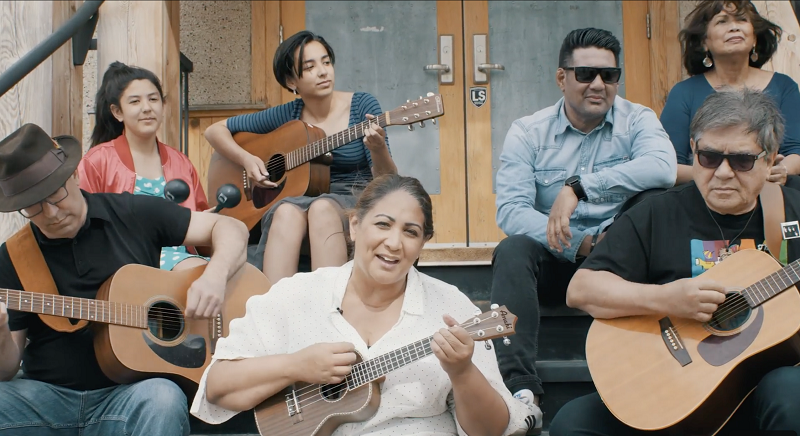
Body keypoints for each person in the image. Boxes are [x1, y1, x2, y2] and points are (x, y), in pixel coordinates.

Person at [190, 174, 542, 436]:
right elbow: (219, 385)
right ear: (355, 226)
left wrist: (462, 372)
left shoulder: (450, 306)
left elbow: (491, 430)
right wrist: (297, 365)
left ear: (423, 244)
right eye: (383, 225)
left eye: (410, 232)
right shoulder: (296, 295)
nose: (393, 243)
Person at [550, 89, 800, 435]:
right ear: (694, 153)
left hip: (760, 394)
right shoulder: (657, 212)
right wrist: (668, 299)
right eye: (710, 157)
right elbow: (581, 289)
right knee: (573, 423)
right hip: (672, 384)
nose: (724, 173)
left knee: (791, 392)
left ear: (770, 160)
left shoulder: (793, 213)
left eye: (742, 160)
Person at [0, 123, 249, 435]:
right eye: (33, 206)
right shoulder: (13, 256)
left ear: (74, 175)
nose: (50, 213)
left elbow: (231, 229)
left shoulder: (131, 213)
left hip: (129, 397)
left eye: (56, 194)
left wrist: (214, 275)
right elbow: (7, 369)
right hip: (46, 401)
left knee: (163, 398)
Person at [490, 27, 677, 420]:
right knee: (512, 250)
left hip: (623, 267)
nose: (598, 84)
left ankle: (660, 364)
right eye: (585, 74)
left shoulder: (637, 119)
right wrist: (583, 241)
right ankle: (520, 391)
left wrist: (579, 187)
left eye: (608, 76)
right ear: (562, 78)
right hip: (560, 258)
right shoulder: (528, 132)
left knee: (653, 201)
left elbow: (663, 168)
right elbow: (510, 209)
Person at [204, 30, 397, 284]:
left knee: (321, 209)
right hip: (300, 199)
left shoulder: (362, 106)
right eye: (310, 67)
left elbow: (388, 181)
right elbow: (214, 131)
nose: (323, 71)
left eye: (326, 62)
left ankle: (329, 312)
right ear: (291, 81)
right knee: (284, 212)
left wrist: (378, 147)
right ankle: (271, 314)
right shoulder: (290, 114)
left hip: (352, 196)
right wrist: (247, 160)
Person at [79, 61, 211, 272]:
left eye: (153, 99)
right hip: (127, 264)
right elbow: (83, 223)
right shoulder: (98, 160)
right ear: (117, 112)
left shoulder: (181, 161)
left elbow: (203, 224)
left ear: (163, 105)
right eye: (135, 102)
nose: (147, 108)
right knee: (205, 275)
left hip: (184, 259)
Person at [661, 0, 800, 186]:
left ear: (755, 38)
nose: (734, 27)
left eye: (741, 20)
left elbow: (796, 150)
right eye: (722, 21)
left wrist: (781, 171)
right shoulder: (684, 92)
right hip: (704, 196)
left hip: (770, 192)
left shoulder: (784, 86)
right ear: (704, 42)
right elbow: (668, 165)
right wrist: (724, 175)